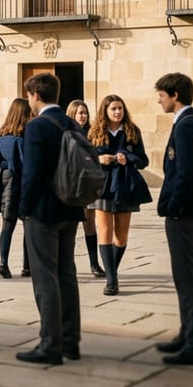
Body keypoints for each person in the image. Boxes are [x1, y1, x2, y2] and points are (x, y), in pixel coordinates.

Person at [17, 72, 84, 365]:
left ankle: (50, 344)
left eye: (29, 97)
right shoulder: (72, 123)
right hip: (71, 207)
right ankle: (70, 341)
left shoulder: (37, 127)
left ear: (34, 95)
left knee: (44, 277)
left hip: (43, 211)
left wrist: (24, 208)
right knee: (67, 275)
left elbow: (31, 175)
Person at [154, 73, 193, 365]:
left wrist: (173, 206)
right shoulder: (188, 122)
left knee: (188, 277)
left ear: (175, 95)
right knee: (184, 276)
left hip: (186, 213)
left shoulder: (188, 125)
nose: (159, 100)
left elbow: (186, 174)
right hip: (189, 211)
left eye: (162, 95)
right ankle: (187, 333)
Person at [88, 95, 150, 296]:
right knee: (105, 231)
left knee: (121, 236)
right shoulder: (95, 132)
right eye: (113, 108)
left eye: (120, 108)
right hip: (102, 185)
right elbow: (85, 159)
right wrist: (100, 159)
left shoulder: (133, 131)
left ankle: (111, 269)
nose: (117, 112)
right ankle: (112, 281)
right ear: (105, 110)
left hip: (125, 185)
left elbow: (143, 160)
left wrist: (128, 157)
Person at [0, 97, 32, 279]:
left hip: (3, 184)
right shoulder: (23, 139)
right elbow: (26, 163)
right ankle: (27, 265)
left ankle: (4, 261)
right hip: (19, 183)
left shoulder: (1, 138)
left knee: (7, 225)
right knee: (28, 224)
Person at [67, 99, 106, 278]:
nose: (83, 116)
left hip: (89, 183)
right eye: (79, 113)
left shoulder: (93, 132)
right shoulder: (67, 132)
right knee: (72, 227)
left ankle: (94, 263)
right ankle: (69, 264)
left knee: (90, 226)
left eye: (85, 113)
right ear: (72, 114)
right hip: (74, 184)